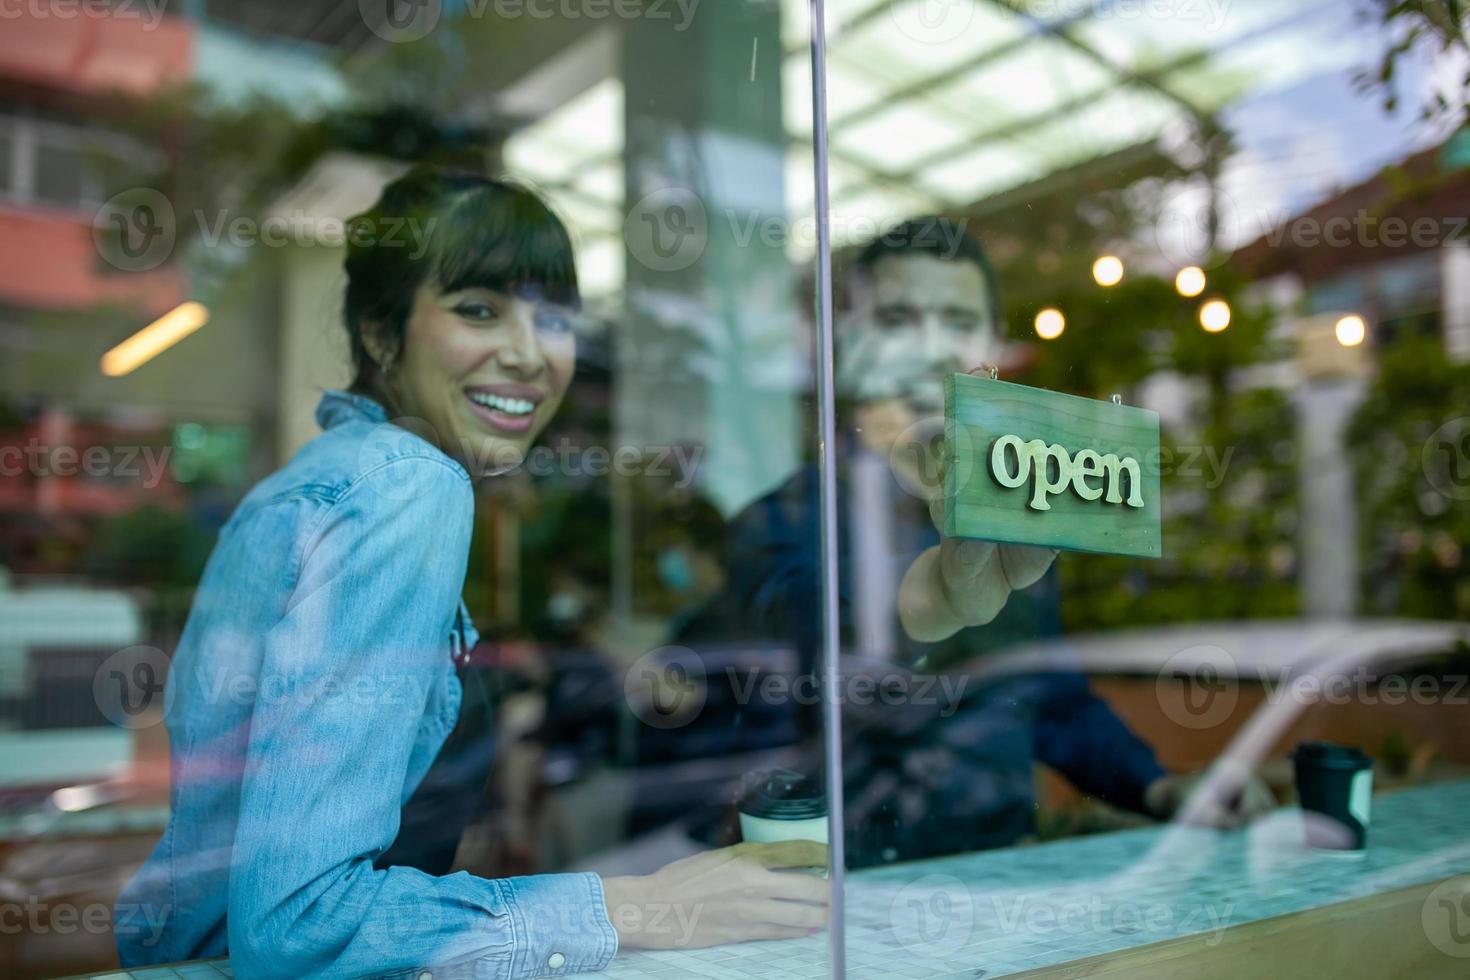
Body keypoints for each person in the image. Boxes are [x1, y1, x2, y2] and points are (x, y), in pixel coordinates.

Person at [114, 168, 827, 978]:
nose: (529, 355)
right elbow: (300, 927)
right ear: (383, 336)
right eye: (479, 309)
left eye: (554, 318)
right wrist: (643, 905)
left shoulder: (323, 479)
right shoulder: (408, 487)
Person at [694, 217, 1273, 865]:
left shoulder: (1015, 507)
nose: (934, 349)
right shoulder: (778, 524)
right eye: (897, 321)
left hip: (995, 880)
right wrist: (936, 601)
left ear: (992, 346)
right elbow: (810, 657)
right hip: (834, 904)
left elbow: (1049, 699)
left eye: (958, 322)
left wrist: (1160, 786)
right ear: (846, 340)